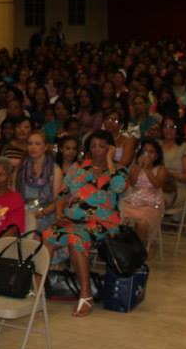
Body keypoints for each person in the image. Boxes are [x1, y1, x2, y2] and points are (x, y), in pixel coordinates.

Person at [42, 130, 128, 318]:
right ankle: (37, 288)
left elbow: (118, 188)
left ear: (110, 149)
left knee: (76, 239)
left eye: (102, 146)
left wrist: (110, 162)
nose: (97, 150)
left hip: (102, 222)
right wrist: (58, 215)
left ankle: (86, 294)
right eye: (94, 145)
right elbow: (62, 195)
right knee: (48, 235)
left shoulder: (118, 170)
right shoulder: (78, 167)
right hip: (72, 220)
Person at [14, 132, 63, 232]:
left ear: (45, 147)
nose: (33, 147)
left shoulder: (55, 170)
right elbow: (14, 194)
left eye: (37, 144)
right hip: (23, 211)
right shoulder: (21, 167)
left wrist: (39, 214)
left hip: (45, 214)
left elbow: (57, 201)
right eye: (30, 143)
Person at [121, 139, 167, 245]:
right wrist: (139, 167)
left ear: (157, 155)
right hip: (133, 201)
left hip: (150, 203)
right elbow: (132, 182)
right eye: (145, 152)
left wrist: (147, 169)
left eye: (151, 152)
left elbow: (157, 184)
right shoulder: (135, 167)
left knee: (141, 224)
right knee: (120, 219)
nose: (147, 155)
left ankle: (140, 252)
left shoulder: (161, 169)